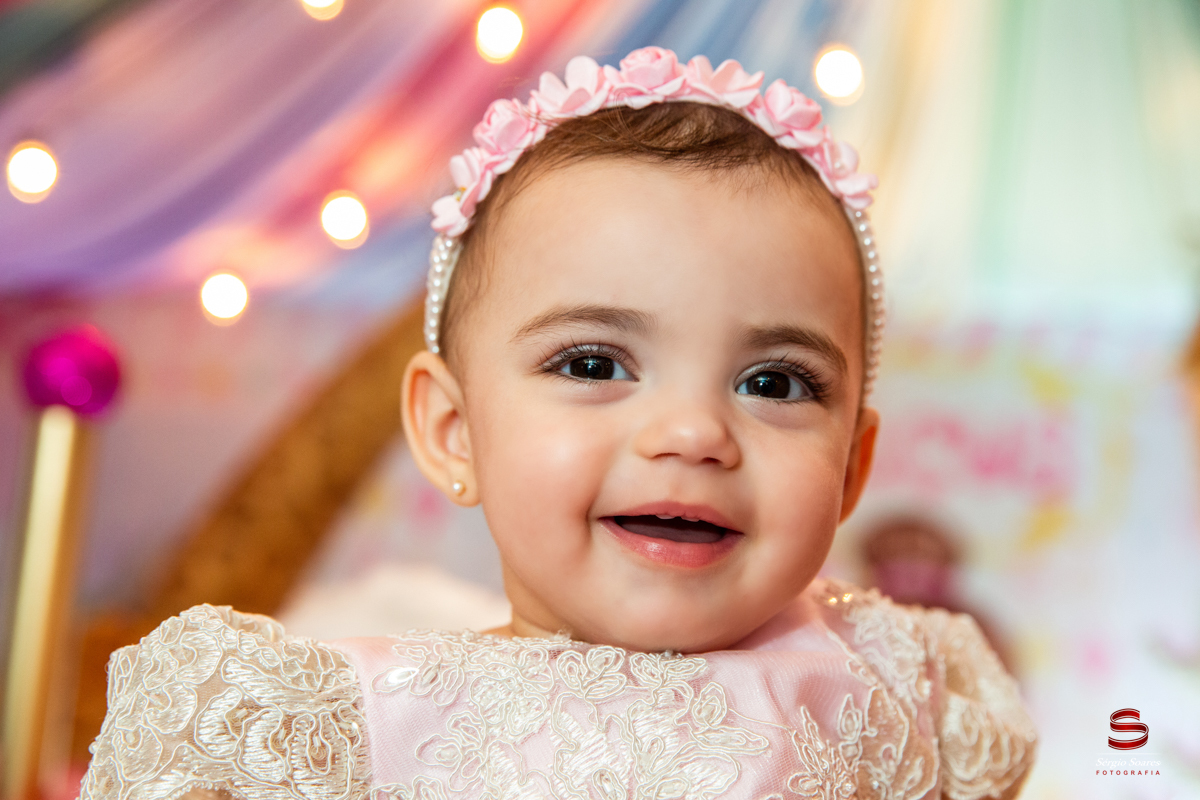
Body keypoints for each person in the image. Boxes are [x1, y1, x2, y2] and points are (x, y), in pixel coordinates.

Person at [79, 47, 1036, 800]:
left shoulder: (900, 676)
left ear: (852, 470)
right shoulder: (346, 729)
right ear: (453, 431)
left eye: (775, 383)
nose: (693, 433)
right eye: (593, 365)